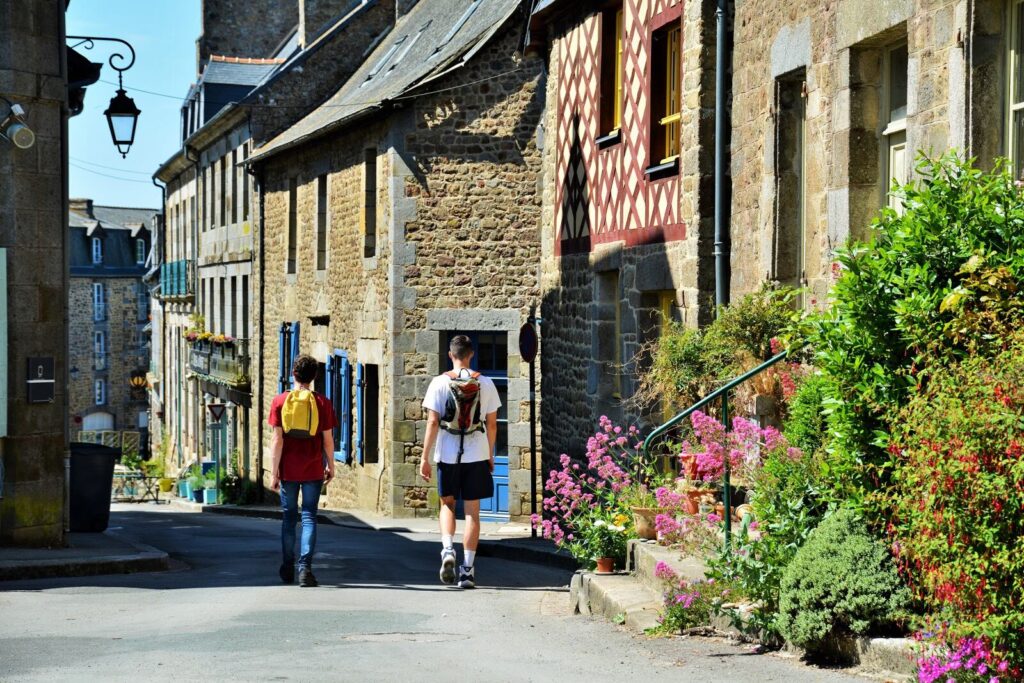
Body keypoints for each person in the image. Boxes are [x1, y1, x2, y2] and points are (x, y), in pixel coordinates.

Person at [420, 335, 500, 588]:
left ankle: (447, 550)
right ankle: (467, 570)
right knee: (473, 512)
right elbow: (492, 425)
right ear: (471, 354)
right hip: (476, 453)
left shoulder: (439, 383)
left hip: (447, 452)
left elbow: (433, 422)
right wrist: (489, 454)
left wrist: (425, 457)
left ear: (450, 354)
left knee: (447, 504)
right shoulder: (485, 383)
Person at [268, 354, 336, 587]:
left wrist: (274, 472)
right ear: (314, 376)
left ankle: (287, 566)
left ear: (293, 374)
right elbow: (328, 440)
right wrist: (331, 465)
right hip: (312, 470)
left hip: (288, 471)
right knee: (309, 517)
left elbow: (277, 441)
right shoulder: (323, 403)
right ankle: (305, 569)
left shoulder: (279, 401)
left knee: (288, 520)